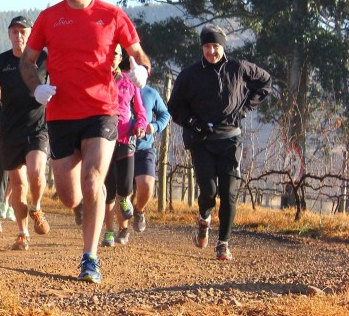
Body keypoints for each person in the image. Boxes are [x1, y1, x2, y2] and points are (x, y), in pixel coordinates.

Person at [21, 0, 151, 284]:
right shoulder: (49, 17)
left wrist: (142, 73)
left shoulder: (111, 15)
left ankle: (89, 258)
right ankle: (84, 207)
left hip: (101, 110)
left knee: (93, 182)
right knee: (69, 194)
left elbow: (139, 55)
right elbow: (27, 61)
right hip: (61, 112)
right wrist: (37, 88)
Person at [168, 25, 272, 261]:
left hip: (230, 138)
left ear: (223, 46)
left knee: (229, 192)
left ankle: (223, 243)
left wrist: (244, 108)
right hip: (201, 140)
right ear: (202, 47)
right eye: (207, 46)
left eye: (215, 46)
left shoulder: (239, 68)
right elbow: (174, 108)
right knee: (209, 191)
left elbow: (265, 82)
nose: (211, 51)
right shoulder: (189, 75)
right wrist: (194, 122)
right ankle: (204, 218)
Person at [0, 15, 50, 250]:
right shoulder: (1, 62)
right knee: (18, 184)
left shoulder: (44, 58)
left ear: (30, 34)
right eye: (15, 31)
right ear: (9, 34)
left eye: (23, 31)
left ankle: (37, 206)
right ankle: (23, 233)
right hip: (10, 129)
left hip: (37, 126)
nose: (19, 36)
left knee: (36, 171)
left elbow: (62, 78)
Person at [100, 45, 147, 247]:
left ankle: (125, 200)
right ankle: (109, 232)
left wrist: (140, 125)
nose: (112, 58)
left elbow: (140, 110)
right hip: (103, 140)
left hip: (126, 138)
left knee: (126, 186)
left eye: (116, 54)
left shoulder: (129, 80)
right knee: (108, 190)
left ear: (121, 58)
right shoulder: (97, 79)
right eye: (108, 54)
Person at [132, 77, 171, 231]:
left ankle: (140, 210)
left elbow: (165, 114)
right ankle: (121, 229)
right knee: (122, 194)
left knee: (147, 185)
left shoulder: (150, 93)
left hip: (144, 147)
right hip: (120, 147)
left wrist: (154, 126)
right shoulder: (116, 87)